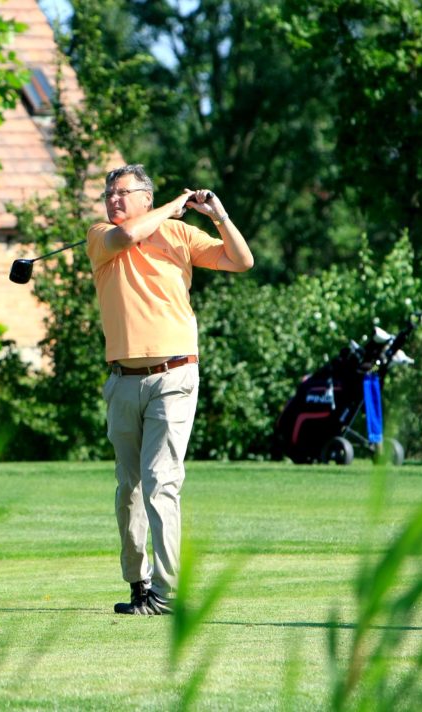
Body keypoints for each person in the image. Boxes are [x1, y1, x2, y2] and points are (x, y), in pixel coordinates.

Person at [85, 164, 254, 615]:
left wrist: (217, 216)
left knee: (161, 481)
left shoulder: (179, 236)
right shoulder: (101, 234)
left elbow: (241, 261)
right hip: (123, 380)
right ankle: (138, 585)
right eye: (109, 193)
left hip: (174, 376)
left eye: (122, 193)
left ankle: (166, 591)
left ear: (143, 196)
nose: (112, 200)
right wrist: (175, 206)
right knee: (130, 489)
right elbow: (126, 237)